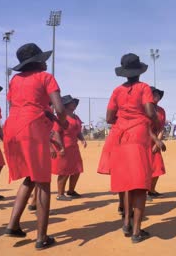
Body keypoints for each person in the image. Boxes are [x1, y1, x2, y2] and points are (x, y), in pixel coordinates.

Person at [4, 43, 67, 249]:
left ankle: (13, 225)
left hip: (13, 127)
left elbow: (24, 106)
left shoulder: (15, 80)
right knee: (43, 183)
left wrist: (48, 121)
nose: (45, 61)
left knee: (31, 177)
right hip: (31, 129)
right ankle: (41, 238)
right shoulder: (46, 77)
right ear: (37, 61)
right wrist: (62, 122)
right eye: (43, 58)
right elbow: (58, 107)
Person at [100, 53, 164, 243]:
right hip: (138, 136)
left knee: (126, 182)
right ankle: (136, 231)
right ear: (138, 71)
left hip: (120, 136)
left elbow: (110, 117)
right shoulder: (143, 87)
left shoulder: (117, 90)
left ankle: (126, 221)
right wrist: (152, 121)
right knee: (140, 183)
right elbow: (150, 111)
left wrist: (124, 119)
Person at [51, 95, 87, 201]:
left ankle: (71, 191)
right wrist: (60, 147)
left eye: (74, 103)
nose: (75, 104)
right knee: (64, 171)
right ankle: (60, 194)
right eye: (72, 103)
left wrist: (82, 139)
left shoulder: (76, 117)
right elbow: (56, 132)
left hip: (73, 148)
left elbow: (78, 131)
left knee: (77, 169)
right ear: (66, 105)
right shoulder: (60, 117)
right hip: (63, 147)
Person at [149, 87, 167, 199]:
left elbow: (161, 128)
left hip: (156, 140)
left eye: (158, 94)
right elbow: (145, 127)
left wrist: (157, 142)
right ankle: (142, 192)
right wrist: (156, 141)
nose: (157, 96)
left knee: (158, 166)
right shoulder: (145, 108)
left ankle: (151, 190)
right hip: (144, 139)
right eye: (154, 94)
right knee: (144, 168)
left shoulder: (161, 111)